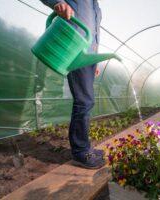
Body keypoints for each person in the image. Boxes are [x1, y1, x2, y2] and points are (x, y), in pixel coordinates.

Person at [40, 0, 105, 169]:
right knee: (84, 101)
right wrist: (58, 2)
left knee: (87, 102)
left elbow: (95, 33)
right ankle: (81, 152)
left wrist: (95, 60)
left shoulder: (95, 5)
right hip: (74, 49)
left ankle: (86, 148)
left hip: (88, 56)